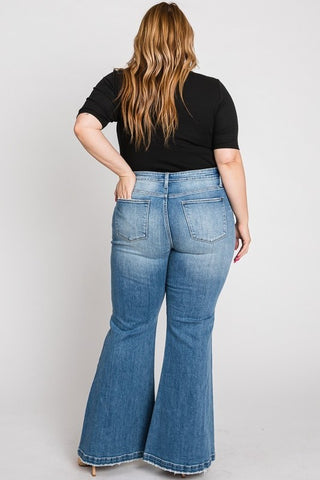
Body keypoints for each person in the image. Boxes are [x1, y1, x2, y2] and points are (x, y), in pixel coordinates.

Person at [73, 1, 251, 477]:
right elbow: (228, 161)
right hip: (204, 210)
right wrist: (243, 218)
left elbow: (84, 126)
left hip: (140, 207)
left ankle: (103, 452)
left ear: (143, 39)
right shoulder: (212, 91)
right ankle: (182, 459)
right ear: (186, 41)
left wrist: (125, 171)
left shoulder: (119, 83)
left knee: (129, 326)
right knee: (191, 330)